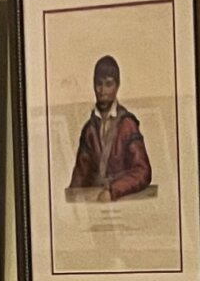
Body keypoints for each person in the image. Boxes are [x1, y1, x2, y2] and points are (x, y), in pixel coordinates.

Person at [65, 55, 152, 201]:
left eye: (108, 84)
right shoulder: (89, 130)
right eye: (99, 84)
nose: (102, 91)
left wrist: (113, 190)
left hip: (122, 201)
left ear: (117, 86)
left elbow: (143, 171)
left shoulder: (127, 125)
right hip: (94, 204)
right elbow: (80, 177)